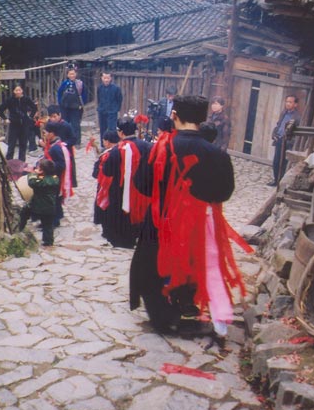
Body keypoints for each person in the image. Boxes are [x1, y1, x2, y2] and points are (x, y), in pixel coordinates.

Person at [130, 95, 250, 339]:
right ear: (203, 119)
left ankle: (163, 319)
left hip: (159, 220)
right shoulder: (217, 155)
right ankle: (187, 310)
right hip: (196, 223)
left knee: (152, 266)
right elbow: (224, 192)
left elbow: (141, 184)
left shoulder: (160, 149)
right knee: (193, 265)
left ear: (174, 116)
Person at [98, 116, 152, 248]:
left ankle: (123, 240)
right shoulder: (147, 147)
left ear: (120, 132)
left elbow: (107, 171)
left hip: (119, 190)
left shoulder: (116, 151)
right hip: (143, 188)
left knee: (122, 214)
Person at [19, 159, 59, 246]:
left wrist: (32, 173)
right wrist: (39, 173)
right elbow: (44, 178)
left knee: (24, 213)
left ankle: (19, 228)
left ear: (42, 171)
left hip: (38, 206)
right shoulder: (55, 179)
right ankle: (48, 242)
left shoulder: (40, 181)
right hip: (50, 207)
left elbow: (32, 182)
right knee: (48, 226)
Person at [42, 121, 73, 226]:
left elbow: (61, 164)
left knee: (53, 199)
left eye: (45, 132)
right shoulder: (53, 145)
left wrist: (47, 166)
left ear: (52, 133)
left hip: (55, 177)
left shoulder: (56, 148)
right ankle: (56, 218)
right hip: (53, 176)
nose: (44, 135)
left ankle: (53, 222)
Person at [92, 129, 120, 242]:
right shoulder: (120, 150)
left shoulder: (107, 155)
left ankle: (107, 231)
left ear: (107, 142)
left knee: (105, 207)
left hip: (106, 184)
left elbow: (98, 172)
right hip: (118, 184)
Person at [0, 85, 37, 161]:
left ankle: (21, 163)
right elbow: (0, 110)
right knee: (11, 144)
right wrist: (5, 119)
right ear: (14, 91)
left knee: (23, 144)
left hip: (24, 124)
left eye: (19, 90)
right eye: (16, 90)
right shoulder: (10, 100)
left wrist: (30, 117)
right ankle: (9, 162)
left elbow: (34, 108)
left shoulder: (26, 99)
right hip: (14, 124)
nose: (18, 92)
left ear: (22, 91)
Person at [269, 95, 301, 187]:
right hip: (279, 139)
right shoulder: (284, 113)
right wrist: (275, 133)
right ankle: (276, 180)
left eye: (290, 102)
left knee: (284, 162)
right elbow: (279, 125)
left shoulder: (297, 117)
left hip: (287, 141)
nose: (287, 104)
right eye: (287, 101)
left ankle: (282, 182)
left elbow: (296, 132)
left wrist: (290, 141)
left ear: (295, 104)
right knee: (276, 161)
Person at [46, 105, 77, 187]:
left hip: (66, 151)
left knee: (67, 170)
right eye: (50, 117)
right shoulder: (49, 125)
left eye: (54, 116)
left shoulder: (66, 125)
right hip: (53, 152)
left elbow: (73, 139)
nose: (52, 119)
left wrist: (65, 144)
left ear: (59, 115)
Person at [57, 65, 87, 147]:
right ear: (67, 75)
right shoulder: (64, 84)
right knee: (65, 124)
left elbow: (84, 95)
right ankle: (65, 140)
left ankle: (77, 142)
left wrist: (82, 104)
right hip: (65, 108)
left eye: (73, 74)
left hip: (75, 108)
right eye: (70, 74)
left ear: (76, 74)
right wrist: (60, 103)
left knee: (76, 125)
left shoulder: (79, 84)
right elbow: (59, 93)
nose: (72, 76)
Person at [97, 71, 123, 147]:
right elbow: (99, 98)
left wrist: (116, 109)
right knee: (102, 129)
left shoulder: (116, 88)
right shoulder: (99, 87)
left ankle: (113, 144)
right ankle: (103, 145)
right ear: (101, 78)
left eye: (108, 78)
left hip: (112, 111)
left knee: (112, 129)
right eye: (104, 78)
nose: (106, 80)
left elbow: (119, 99)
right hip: (102, 110)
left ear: (110, 78)